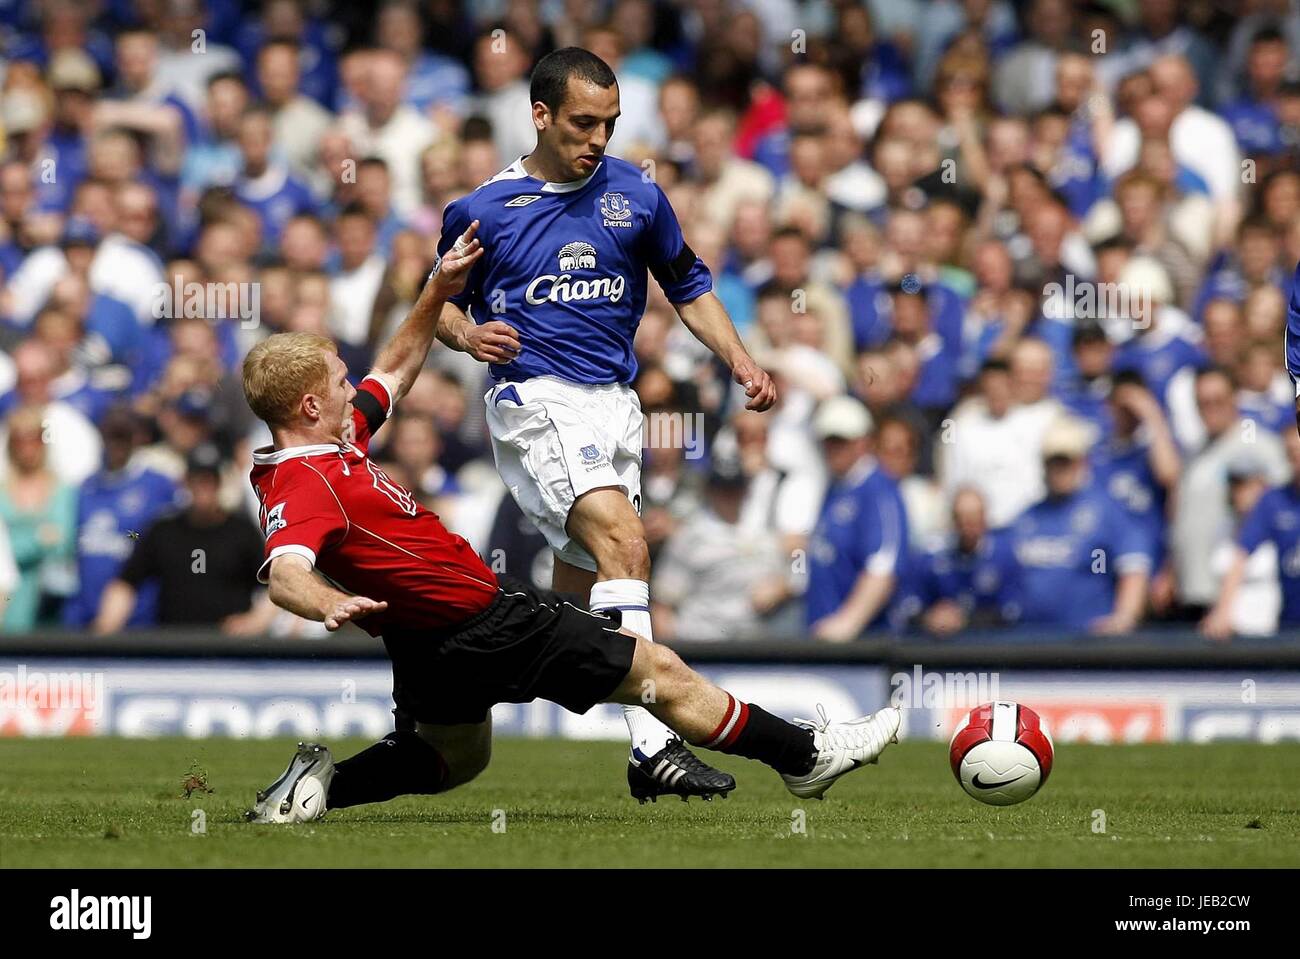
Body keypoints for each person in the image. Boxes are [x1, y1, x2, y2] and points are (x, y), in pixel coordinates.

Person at [240, 223, 899, 822]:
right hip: (484, 624)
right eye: (338, 380)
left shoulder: (332, 439)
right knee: (660, 674)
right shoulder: (305, 480)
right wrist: (327, 600)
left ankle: (313, 792)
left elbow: (397, 366)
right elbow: (287, 572)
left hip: (427, 642)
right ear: (307, 404)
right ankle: (806, 756)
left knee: (454, 761)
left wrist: (439, 288)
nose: (352, 385)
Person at [430, 48, 776, 800]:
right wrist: (467, 335)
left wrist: (740, 360)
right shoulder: (483, 209)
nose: (598, 138)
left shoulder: (637, 195)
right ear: (541, 114)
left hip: (616, 406)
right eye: (584, 122)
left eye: (611, 124)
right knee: (625, 541)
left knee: (573, 601)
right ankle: (653, 742)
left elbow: (688, 285)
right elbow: (437, 302)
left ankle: (466, 671)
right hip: (535, 398)